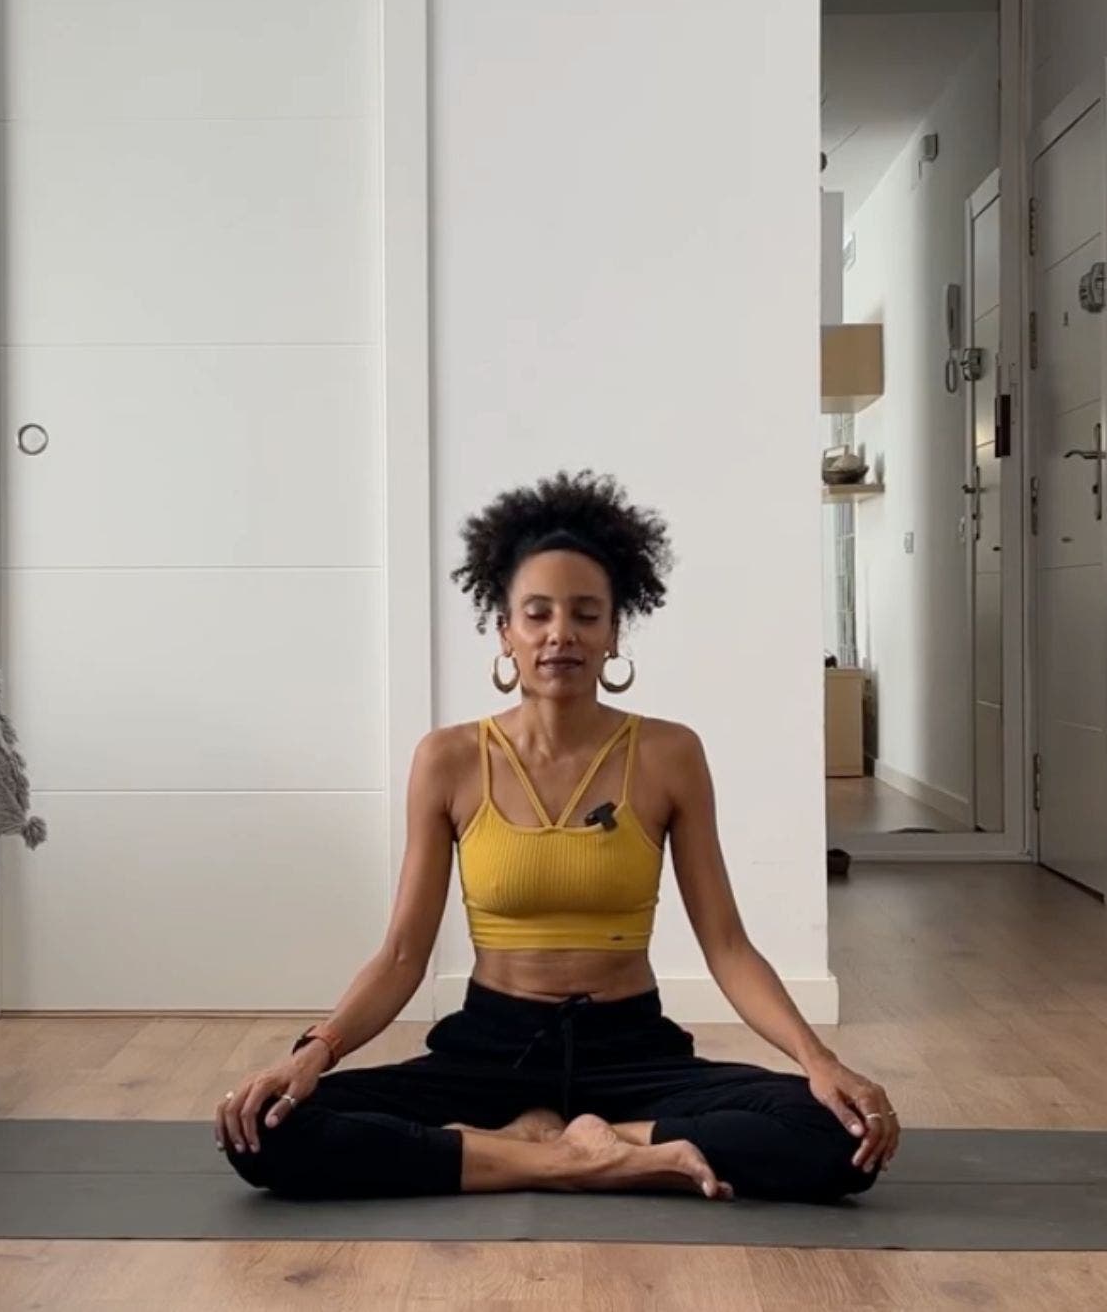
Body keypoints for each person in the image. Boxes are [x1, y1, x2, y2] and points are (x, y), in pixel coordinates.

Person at [213, 471, 898, 1203]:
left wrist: (821, 1061)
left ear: (614, 631)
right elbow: (404, 954)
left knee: (837, 1135)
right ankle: (575, 1158)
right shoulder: (448, 759)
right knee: (270, 1130)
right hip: (490, 1048)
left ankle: (565, 1142)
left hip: (630, 1050)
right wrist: (312, 1055)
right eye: (536, 614)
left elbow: (726, 946)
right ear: (505, 630)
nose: (560, 634)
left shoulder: (670, 755)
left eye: (585, 614)